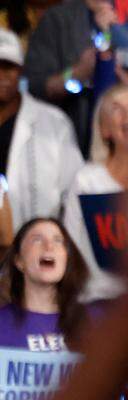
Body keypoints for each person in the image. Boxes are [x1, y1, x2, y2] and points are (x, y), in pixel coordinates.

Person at [60, 83, 128, 302]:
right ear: (104, 129)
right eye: (116, 108)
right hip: (98, 304)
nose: (127, 113)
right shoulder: (86, 181)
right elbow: (71, 249)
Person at [0, 28, 83, 247]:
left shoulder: (54, 123)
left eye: (8, 67)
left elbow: (74, 197)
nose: (1, 76)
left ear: (21, 71)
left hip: (38, 256)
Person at [23, 0, 118, 153]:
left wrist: (115, 65)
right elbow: (35, 86)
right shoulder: (58, 19)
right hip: (72, 143)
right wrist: (76, 74)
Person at [0, 217, 91, 351]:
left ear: (66, 259)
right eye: (37, 239)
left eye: (58, 240)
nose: (49, 246)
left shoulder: (95, 322)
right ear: (19, 261)